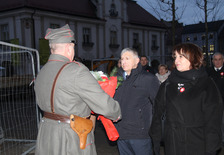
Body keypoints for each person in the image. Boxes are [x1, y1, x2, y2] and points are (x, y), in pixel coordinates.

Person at [34, 24, 121, 155]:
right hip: (71, 136)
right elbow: (105, 105)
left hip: (46, 133)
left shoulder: (42, 71)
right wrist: (116, 112)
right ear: (70, 47)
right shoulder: (76, 70)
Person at [150, 43, 223, 155]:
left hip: (197, 142)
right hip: (172, 143)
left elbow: (213, 120)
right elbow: (157, 114)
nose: (176, 60)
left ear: (193, 58)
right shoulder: (168, 84)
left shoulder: (206, 83)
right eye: (175, 56)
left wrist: (211, 149)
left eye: (181, 56)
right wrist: (155, 139)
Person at [114, 48, 160, 155]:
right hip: (121, 132)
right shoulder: (116, 79)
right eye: (122, 59)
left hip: (140, 133)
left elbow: (157, 104)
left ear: (137, 60)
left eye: (127, 58)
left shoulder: (148, 79)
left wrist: (153, 127)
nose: (123, 62)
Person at [207, 52, 224, 145]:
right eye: (215, 60)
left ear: (223, 60)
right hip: (211, 102)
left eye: (219, 59)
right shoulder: (208, 72)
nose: (217, 62)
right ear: (212, 61)